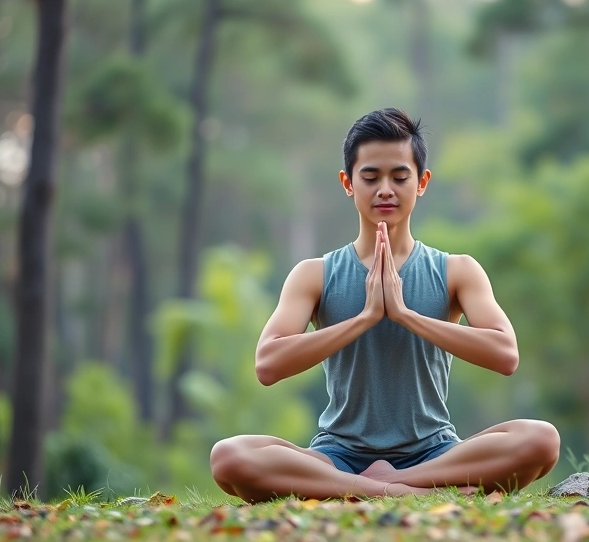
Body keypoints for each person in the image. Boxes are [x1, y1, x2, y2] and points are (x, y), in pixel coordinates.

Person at [210, 108, 559, 503]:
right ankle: (397, 491)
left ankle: (390, 484)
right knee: (229, 457)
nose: (385, 189)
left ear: (422, 182)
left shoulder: (457, 271)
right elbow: (268, 365)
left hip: (434, 451)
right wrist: (365, 318)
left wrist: (407, 315)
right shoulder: (315, 275)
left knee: (541, 440)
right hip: (339, 455)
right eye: (371, 177)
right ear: (348, 182)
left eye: (400, 176)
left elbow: (506, 355)